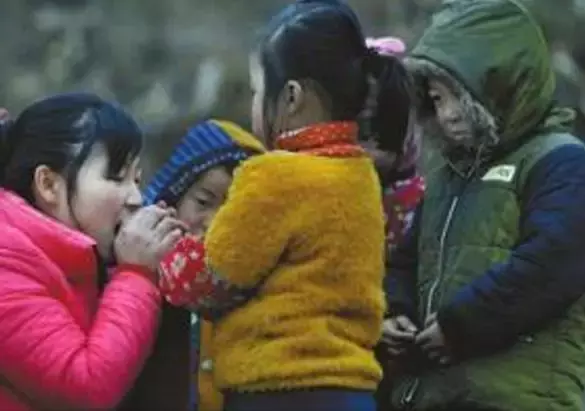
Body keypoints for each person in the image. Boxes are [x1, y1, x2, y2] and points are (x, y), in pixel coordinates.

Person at [158, 1, 413, 410]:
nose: (254, 105)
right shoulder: (361, 176)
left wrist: (159, 247)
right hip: (351, 391)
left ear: (291, 96)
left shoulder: (275, 177)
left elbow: (207, 279)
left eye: (260, 91)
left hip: (280, 391)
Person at [379, 1, 585, 410]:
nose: (448, 114)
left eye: (461, 96)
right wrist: (394, 311)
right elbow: (405, 261)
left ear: (505, 84)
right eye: (437, 99)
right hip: (435, 395)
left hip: (521, 396)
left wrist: (462, 327)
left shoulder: (561, 161)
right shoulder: (445, 178)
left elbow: (551, 264)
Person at [0, 92, 184, 410]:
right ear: (49, 185)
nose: (136, 198)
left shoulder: (83, 261)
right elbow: (86, 387)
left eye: (136, 179)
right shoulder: (7, 264)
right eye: (116, 177)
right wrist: (136, 275)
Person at [125, 119, 264, 411]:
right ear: (170, 201)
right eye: (203, 202)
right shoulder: (136, 282)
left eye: (232, 209)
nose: (214, 222)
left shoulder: (258, 289)